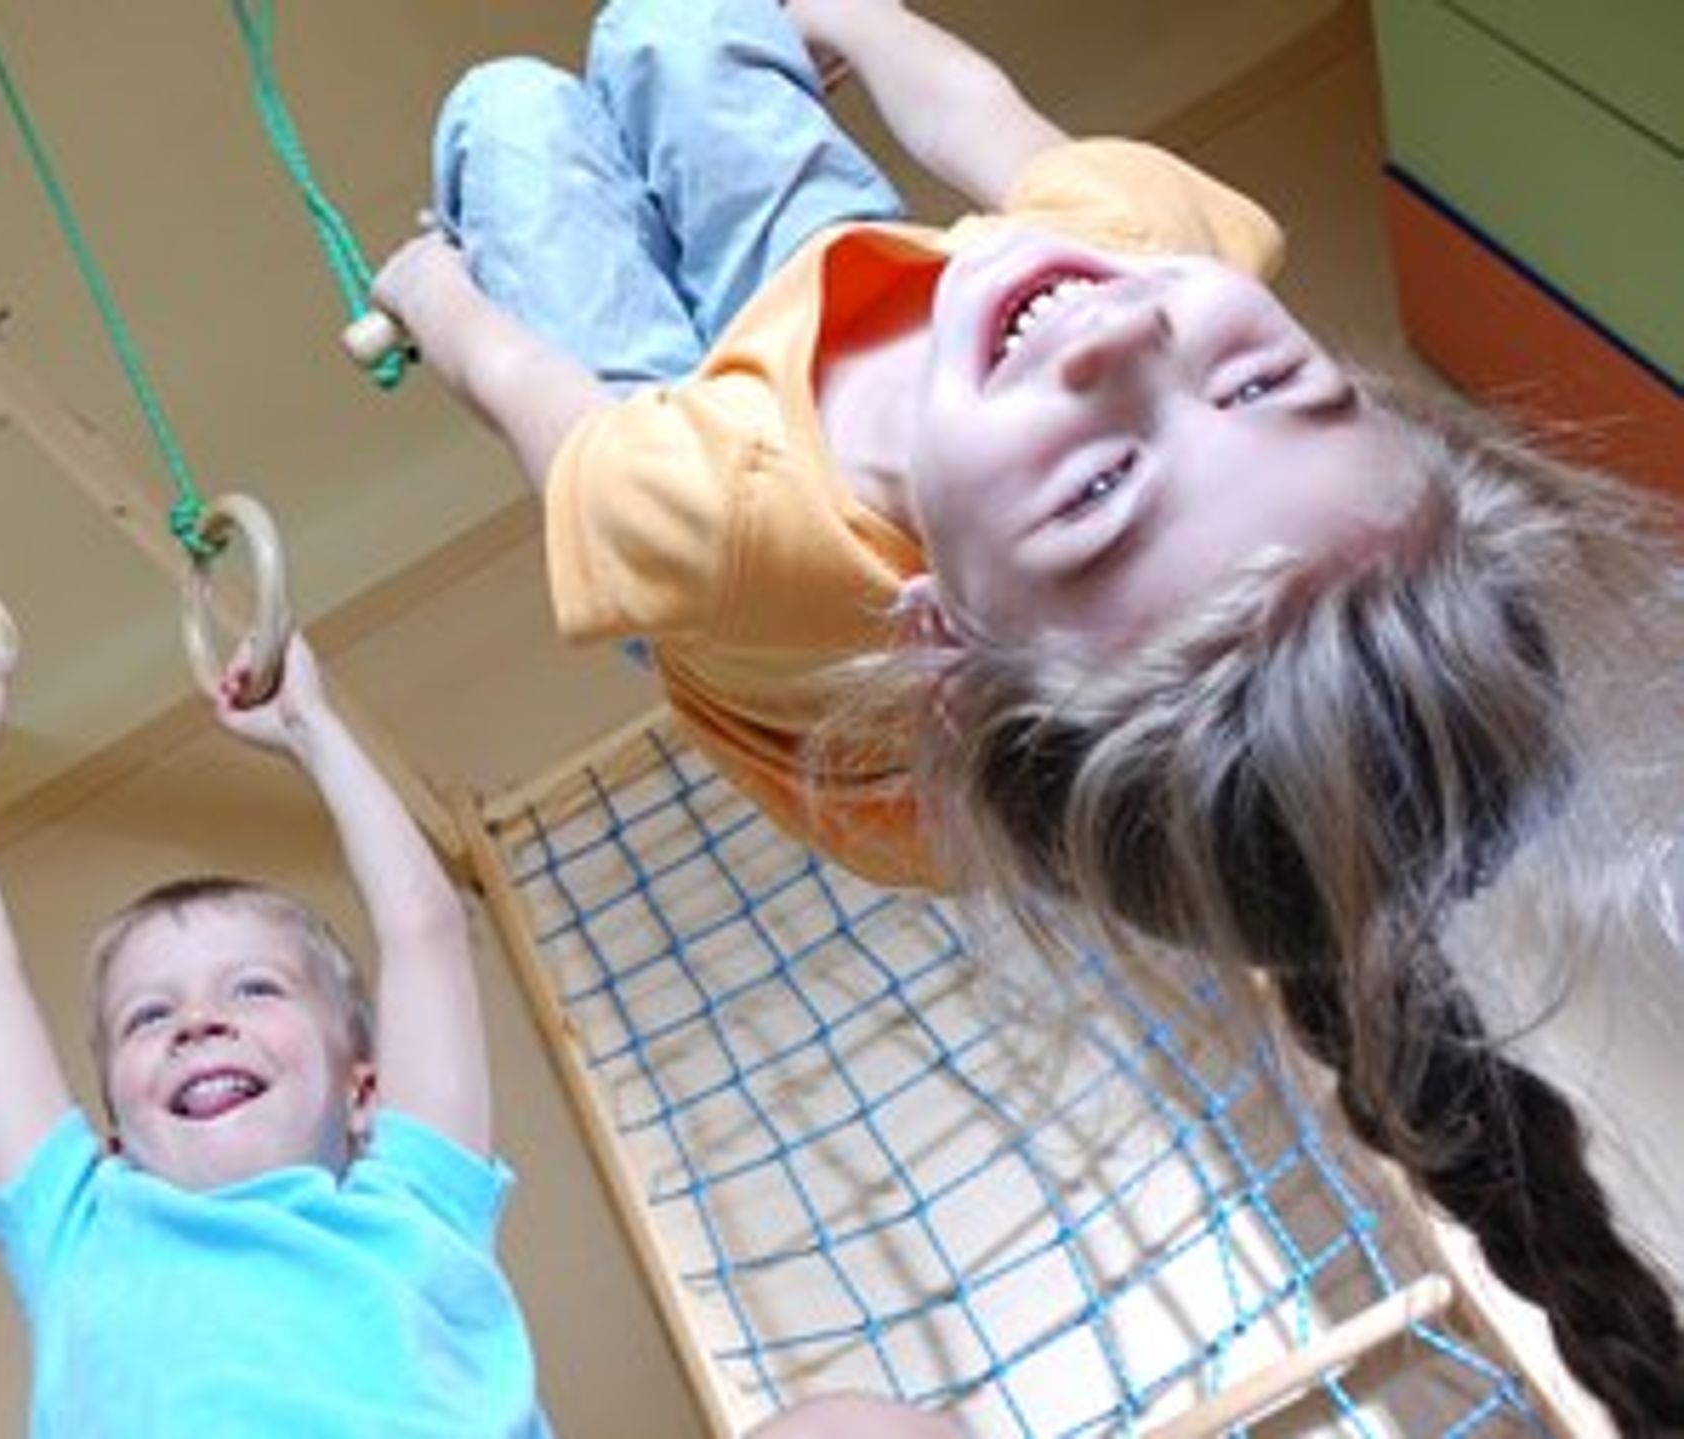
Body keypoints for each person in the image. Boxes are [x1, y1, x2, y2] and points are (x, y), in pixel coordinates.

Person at [371, 0, 1684, 1429]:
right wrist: (856, 19)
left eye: (1101, 492)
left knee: (504, 109)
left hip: (718, 494)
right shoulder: (1144, 272)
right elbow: (982, 117)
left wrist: (432, 290)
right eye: (1263, 382)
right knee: (669, 26)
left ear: (949, 634)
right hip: (841, 299)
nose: (1121, 339)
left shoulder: (721, 517)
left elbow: (539, 400)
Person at [0, 632, 549, 1435]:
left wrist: (313, 729)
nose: (198, 1022)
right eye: (149, 1015)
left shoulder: (416, 1204)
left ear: (364, 1089)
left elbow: (424, 932)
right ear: (115, 1138)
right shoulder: (83, 1229)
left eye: (255, 987)